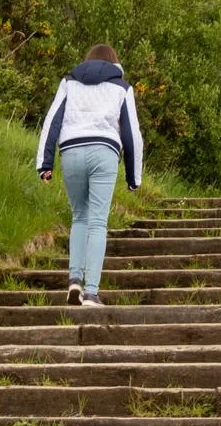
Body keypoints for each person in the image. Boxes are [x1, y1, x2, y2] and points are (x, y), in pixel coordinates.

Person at [35, 43, 143, 307]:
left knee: (79, 216)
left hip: (71, 151)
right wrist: (133, 176)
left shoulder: (69, 82)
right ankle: (92, 293)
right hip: (104, 152)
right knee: (97, 222)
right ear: (115, 64)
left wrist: (44, 163)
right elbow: (131, 134)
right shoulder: (122, 87)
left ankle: (74, 280)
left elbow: (53, 121)